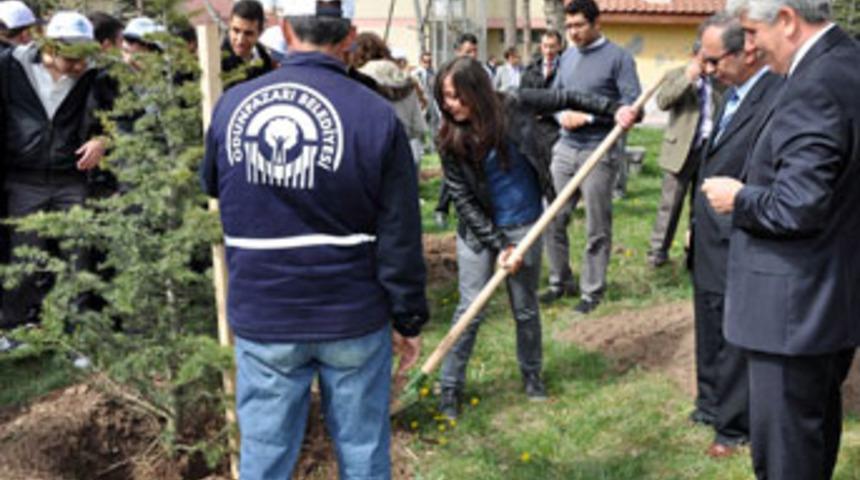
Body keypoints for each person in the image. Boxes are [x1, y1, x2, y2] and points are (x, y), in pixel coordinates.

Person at [200, 1, 428, 477]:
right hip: (351, 313)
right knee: (363, 450)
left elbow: (212, 184)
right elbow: (400, 230)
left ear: (283, 30)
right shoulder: (375, 113)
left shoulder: (233, 106)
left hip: (266, 312)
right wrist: (408, 315)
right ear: (348, 35)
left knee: (264, 455)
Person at [702, 0, 860, 476]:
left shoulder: (815, 85)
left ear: (788, 20)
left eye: (752, 32)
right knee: (811, 440)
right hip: (827, 299)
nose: (748, 47)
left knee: (786, 459)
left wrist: (740, 197)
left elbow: (797, 204)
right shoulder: (847, 63)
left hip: (791, 310)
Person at [433, 56, 636, 419]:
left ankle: (532, 376)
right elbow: (463, 200)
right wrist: (499, 246)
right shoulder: (448, 137)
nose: (451, 105)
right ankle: (450, 387)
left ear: (477, 91)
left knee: (525, 308)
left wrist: (615, 109)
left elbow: (567, 97)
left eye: (457, 96)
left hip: (526, 223)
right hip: (480, 234)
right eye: (445, 97)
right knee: (471, 310)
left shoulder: (514, 104)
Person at [690, 13, 783, 459]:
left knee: (733, 332)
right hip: (709, 230)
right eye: (702, 60)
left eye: (713, 60)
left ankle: (733, 426)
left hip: (741, 230)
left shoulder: (775, 95)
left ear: (744, 51)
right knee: (707, 318)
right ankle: (709, 403)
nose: (706, 70)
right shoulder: (726, 96)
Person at [0, 11, 108, 349]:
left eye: (85, 57)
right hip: (24, 178)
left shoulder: (95, 76)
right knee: (24, 258)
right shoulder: (10, 67)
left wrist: (102, 141)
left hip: (70, 179)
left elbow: (115, 118)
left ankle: (79, 334)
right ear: (51, 46)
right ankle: (14, 329)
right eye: (73, 58)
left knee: (78, 256)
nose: (80, 66)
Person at [542, 0, 641, 312]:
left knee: (596, 225)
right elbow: (556, 98)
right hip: (565, 147)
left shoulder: (618, 59)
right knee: (552, 218)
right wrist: (561, 117)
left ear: (597, 24)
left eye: (579, 26)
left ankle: (592, 291)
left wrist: (587, 118)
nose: (572, 32)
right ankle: (560, 281)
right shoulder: (567, 58)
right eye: (568, 26)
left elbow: (631, 106)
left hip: (599, 149)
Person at [647, 39, 719, 268]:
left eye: (712, 59)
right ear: (694, 55)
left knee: (701, 205)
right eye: (704, 59)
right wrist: (689, 78)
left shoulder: (720, 81)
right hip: (681, 149)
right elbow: (663, 101)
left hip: (709, 150)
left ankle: (695, 255)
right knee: (670, 204)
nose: (709, 64)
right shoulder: (676, 74)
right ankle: (657, 254)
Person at [351, 32, 427, 172]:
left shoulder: (357, 79)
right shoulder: (407, 80)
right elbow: (419, 127)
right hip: (404, 152)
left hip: (368, 155)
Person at [221, 0, 273, 89]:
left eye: (248, 33)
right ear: (229, 26)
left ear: (260, 33)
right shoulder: (218, 62)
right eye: (236, 31)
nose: (240, 40)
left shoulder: (266, 59)